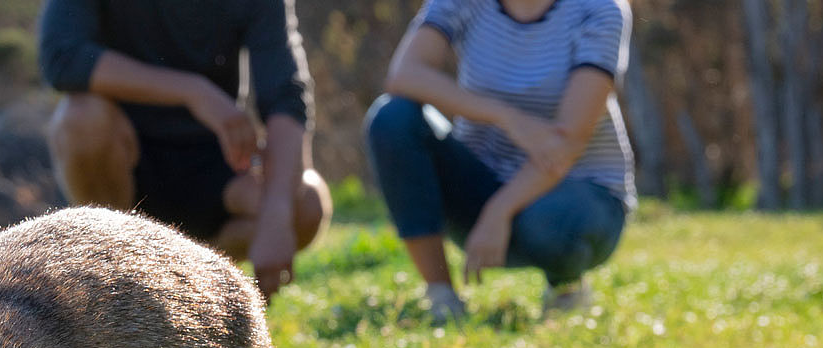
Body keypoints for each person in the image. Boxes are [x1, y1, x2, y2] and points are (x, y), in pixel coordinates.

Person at [38, 0, 332, 300]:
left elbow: (286, 96)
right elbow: (63, 56)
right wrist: (193, 92)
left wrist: (277, 215)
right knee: (80, 119)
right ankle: (117, 273)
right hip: (123, 155)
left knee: (305, 204)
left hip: (219, 158)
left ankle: (190, 283)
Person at [365, 0, 635, 322]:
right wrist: (506, 117)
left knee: (549, 222)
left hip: (579, 194)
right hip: (484, 183)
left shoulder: (600, 8)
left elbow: (568, 142)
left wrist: (499, 210)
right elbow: (405, 74)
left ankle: (565, 284)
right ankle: (441, 297)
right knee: (392, 117)